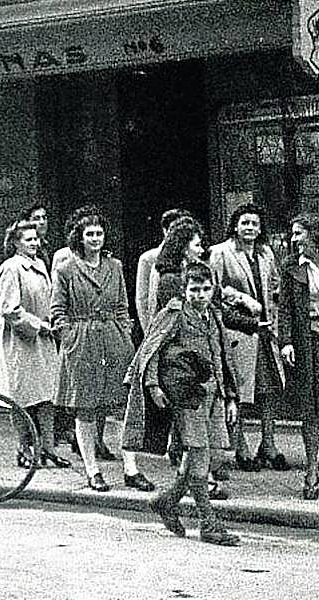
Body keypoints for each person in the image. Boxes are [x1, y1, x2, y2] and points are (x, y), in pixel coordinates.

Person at [124, 262, 241, 546]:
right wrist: (152, 385)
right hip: (187, 396)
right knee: (199, 453)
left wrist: (230, 396)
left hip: (213, 394)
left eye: (205, 289)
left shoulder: (213, 316)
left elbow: (223, 357)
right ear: (184, 290)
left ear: (213, 290)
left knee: (219, 454)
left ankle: (168, 500)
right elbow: (152, 348)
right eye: (194, 289)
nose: (200, 294)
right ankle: (209, 524)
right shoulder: (174, 314)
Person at [51, 208, 151, 492]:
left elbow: (122, 305)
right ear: (79, 238)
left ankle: (130, 469)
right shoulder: (66, 269)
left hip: (113, 341)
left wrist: (125, 333)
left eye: (99, 233)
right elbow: (57, 311)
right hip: (82, 343)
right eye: (89, 234)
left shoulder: (115, 266)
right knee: (85, 408)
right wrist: (69, 338)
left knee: (121, 405)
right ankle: (93, 471)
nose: (95, 239)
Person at [208, 203, 287, 471]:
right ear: (235, 226)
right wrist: (241, 299)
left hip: (265, 330)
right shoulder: (220, 253)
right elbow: (213, 290)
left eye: (254, 223)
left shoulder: (265, 253)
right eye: (245, 223)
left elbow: (275, 285)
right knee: (239, 391)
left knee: (268, 391)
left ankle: (268, 443)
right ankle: (240, 446)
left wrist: (274, 307)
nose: (250, 228)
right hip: (238, 331)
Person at [0, 221, 68, 468]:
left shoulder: (39, 265)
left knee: (47, 396)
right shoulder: (11, 268)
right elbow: (10, 309)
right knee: (23, 397)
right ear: (15, 243)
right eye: (28, 240)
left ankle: (48, 448)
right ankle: (23, 449)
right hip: (21, 342)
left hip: (44, 341)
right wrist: (39, 326)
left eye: (36, 239)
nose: (35, 243)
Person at [278, 212, 319, 499]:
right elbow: (285, 309)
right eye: (293, 234)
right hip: (307, 343)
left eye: (299, 233)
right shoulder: (291, 266)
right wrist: (287, 342)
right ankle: (312, 470)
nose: (294, 240)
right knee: (310, 406)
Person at [136, 209, 195, 339]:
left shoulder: (193, 255)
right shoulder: (149, 258)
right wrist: (150, 332)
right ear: (165, 230)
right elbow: (143, 299)